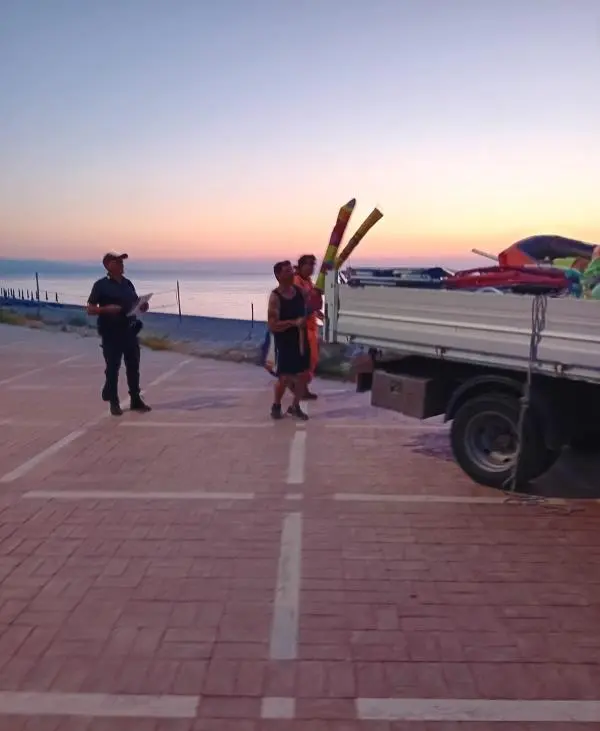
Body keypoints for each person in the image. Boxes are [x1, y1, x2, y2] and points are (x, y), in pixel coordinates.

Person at [87, 252, 152, 416]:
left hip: (129, 330)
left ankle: (135, 399)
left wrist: (142, 306)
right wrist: (105, 309)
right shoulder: (100, 285)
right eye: (119, 262)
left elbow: (135, 303)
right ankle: (113, 401)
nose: (122, 266)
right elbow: (90, 309)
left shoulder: (128, 284)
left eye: (122, 263)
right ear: (109, 265)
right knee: (113, 367)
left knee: (133, 366)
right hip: (110, 332)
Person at [268, 260, 310, 420]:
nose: (291, 273)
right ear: (278, 275)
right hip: (284, 342)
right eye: (286, 271)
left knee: (303, 376)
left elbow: (309, 306)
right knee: (284, 378)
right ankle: (276, 405)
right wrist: (293, 323)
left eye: (291, 270)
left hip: (301, 338)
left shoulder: (300, 292)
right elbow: (272, 325)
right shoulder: (276, 297)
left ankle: (295, 406)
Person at [293, 254, 322, 399]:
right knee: (304, 360)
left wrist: (319, 314)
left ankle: (303, 389)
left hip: (311, 326)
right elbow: (300, 303)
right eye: (308, 264)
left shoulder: (308, 281)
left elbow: (312, 303)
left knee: (312, 360)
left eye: (313, 264)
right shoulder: (296, 281)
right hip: (300, 328)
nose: (311, 267)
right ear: (301, 265)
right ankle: (299, 390)